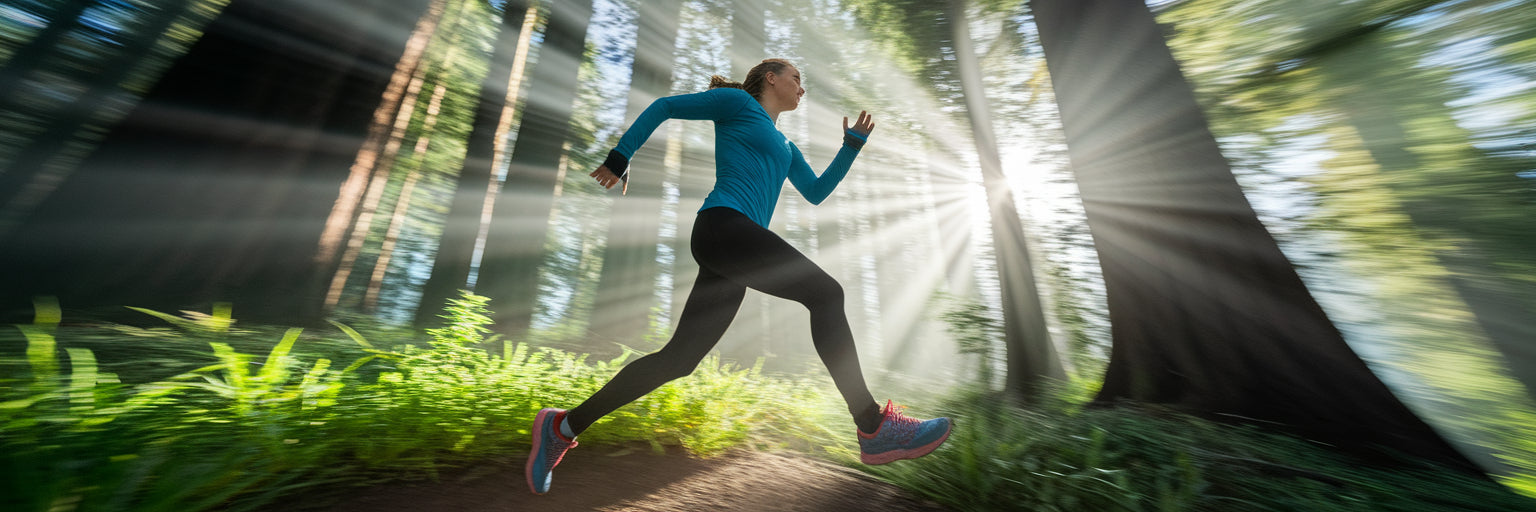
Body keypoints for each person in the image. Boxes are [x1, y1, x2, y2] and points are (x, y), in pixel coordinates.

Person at [526, 58, 951, 495]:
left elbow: (817, 193)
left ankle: (563, 426)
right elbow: (664, 106)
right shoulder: (735, 103)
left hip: (733, 248)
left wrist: (851, 147)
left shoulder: (786, 147)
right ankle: (872, 425)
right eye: (796, 79)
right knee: (826, 294)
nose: (802, 89)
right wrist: (620, 157)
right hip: (722, 226)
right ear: (771, 78)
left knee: (679, 359)